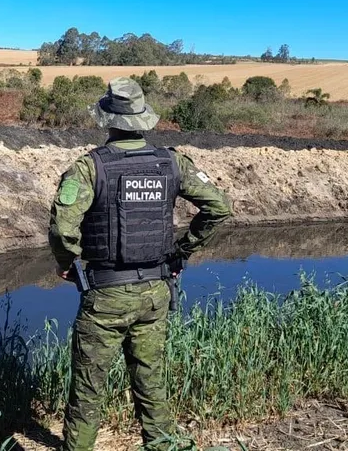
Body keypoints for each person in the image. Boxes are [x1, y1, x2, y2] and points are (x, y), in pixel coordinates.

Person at [49, 77, 232, 450]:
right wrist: (183, 250)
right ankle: (161, 445)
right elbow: (219, 207)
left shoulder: (88, 168)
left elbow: (62, 228)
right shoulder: (173, 162)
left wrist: (67, 263)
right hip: (155, 293)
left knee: (88, 390)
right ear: (143, 119)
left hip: (107, 296)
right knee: (152, 384)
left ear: (107, 120)